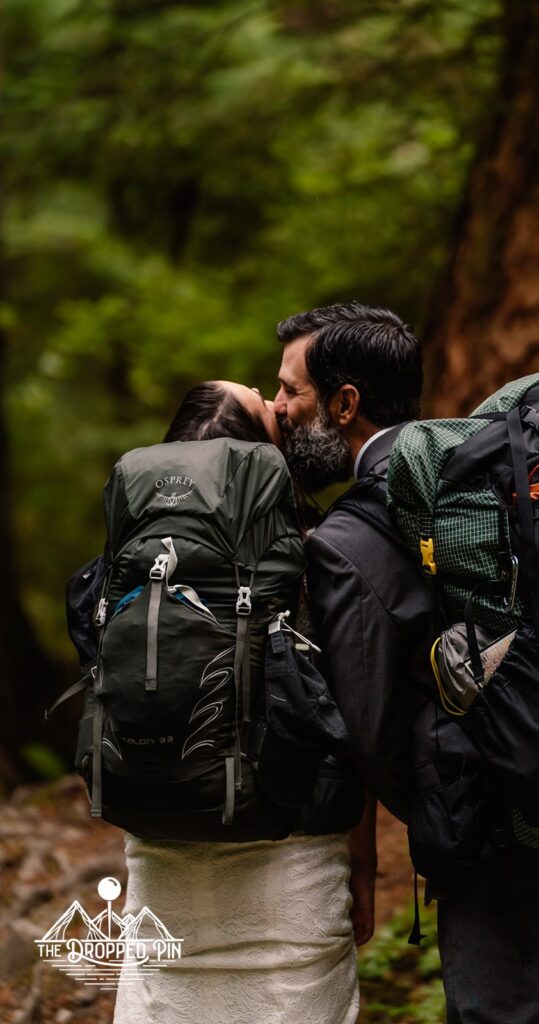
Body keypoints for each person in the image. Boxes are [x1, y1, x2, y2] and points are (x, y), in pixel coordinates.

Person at [273, 301, 539, 1024]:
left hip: (507, 839)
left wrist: (453, 801)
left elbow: (368, 734)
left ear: (344, 404)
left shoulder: (347, 540)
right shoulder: (490, 470)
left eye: (289, 391)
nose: (276, 408)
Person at [70, 380, 362, 1024]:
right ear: (264, 461)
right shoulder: (314, 558)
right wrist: (361, 868)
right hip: (291, 872)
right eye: (263, 402)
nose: (270, 392)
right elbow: (343, 725)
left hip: (158, 864)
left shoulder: (120, 567)